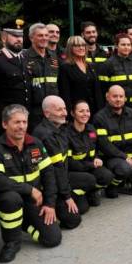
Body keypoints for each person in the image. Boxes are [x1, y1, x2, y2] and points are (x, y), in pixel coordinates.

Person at [0, 104, 62, 264]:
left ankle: (24, 224)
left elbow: (49, 174)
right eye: (16, 122)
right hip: (9, 201)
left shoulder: (36, 144)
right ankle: (12, 242)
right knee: (11, 198)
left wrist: (50, 203)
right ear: (5, 124)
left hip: (32, 202)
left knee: (52, 239)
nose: (21, 127)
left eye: (24, 122)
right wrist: (29, 189)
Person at [32, 96, 84, 228]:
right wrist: (66, 196)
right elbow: (57, 168)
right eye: (59, 110)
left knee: (89, 182)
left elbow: (64, 163)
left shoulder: (59, 127)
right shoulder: (46, 135)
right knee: (73, 220)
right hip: (48, 186)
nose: (65, 113)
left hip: (60, 180)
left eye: (65, 108)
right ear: (47, 113)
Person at [92, 85, 132, 197]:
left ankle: (123, 180)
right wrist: (124, 157)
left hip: (131, 160)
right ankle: (113, 185)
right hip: (111, 159)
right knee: (124, 168)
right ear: (107, 97)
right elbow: (104, 145)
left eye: (121, 96)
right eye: (115, 96)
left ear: (125, 98)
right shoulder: (100, 118)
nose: (118, 99)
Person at [0, 19, 32, 140]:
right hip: (6, 124)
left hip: (23, 120)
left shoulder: (24, 59)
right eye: (14, 36)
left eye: (20, 36)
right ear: (3, 38)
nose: (18, 39)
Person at [65, 100, 114, 208]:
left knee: (107, 176)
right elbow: (69, 161)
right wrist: (91, 165)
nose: (85, 114)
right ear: (73, 113)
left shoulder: (91, 129)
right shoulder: (66, 133)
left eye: (87, 111)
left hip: (88, 166)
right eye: (81, 111)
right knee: (83, 208)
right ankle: (79, 193)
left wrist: (96, 158)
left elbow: (94, 149)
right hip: (74, 170)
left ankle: (91, 191)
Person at [101, 33, 132, 119]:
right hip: (117, 108)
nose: (126, 47)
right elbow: (103, 88)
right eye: (123, 44)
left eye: (128, 45)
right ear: (116, 46)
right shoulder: (108, 64)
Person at [23, 22, 60, 129]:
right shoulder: (24, 57)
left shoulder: (54, 57)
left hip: (53, 111)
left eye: (46, 35)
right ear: (31, 38)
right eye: (40, 35)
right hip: (34, 111)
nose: (44, 38)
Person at [58, 35, 103, 115]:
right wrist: (69, 112)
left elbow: (97, 91)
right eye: (77, 46)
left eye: (83, 45)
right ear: (70, 48)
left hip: (94, 110)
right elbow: (65, 93)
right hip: (77, 112)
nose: (81, 48)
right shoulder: (65, 67)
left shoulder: (91, 66)